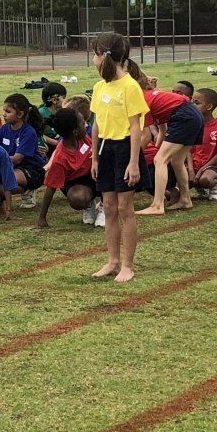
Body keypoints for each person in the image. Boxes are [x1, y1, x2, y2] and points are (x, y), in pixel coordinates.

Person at [88, 30, 149, 282]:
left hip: (125, 149)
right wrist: (94, 157)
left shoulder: (130, 86)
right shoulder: (99, 86)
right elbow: (96, 124)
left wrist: (134, 162)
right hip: (105, 149)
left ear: (104, 55)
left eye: (94, 54)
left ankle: (127, 264)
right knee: (109, 206)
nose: (93, 60)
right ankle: (112, 260)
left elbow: (136, 127)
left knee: (125, 208)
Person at [138, 84, 202, 215]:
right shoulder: (154, 97)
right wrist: (157, 149)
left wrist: (132, 158)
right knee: (177, 161)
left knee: (160, 160)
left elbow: (145, 137)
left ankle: (157, 205)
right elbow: (162, 130)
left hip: (184, 117)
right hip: (193, 114)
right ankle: (185, 199)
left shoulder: (141, 100)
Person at [36, 107, 101, 229]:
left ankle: (104, 206)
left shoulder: (85, 139)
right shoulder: (60, 159)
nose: (87, 125)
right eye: (83, 123)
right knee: (78, 198)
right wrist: (42, 218)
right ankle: (88, 204)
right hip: (77, 183)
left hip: (96, 174)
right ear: (75, 132)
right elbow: (50, 188)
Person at [0, 94, 44, 218]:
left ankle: (27, 189)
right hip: (8, 167)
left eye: (8, 111)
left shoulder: (28, 132)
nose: (4, 114)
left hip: (30, 169)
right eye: (4, 111)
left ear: (20, 114)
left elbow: (17, 158)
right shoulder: (3, 130)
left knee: (8, 176)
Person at [188, 88, 217, 201]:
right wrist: (190, 169)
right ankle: (200, 188)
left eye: (197, 103)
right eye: (192, 102)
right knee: (182, 180)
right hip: (194, 164)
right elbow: (187, 149)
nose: (193, 105)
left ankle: (214, 185)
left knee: (205, 180)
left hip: (213, 165)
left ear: (209, 107)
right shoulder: (192, 124)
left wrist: (200, 171)